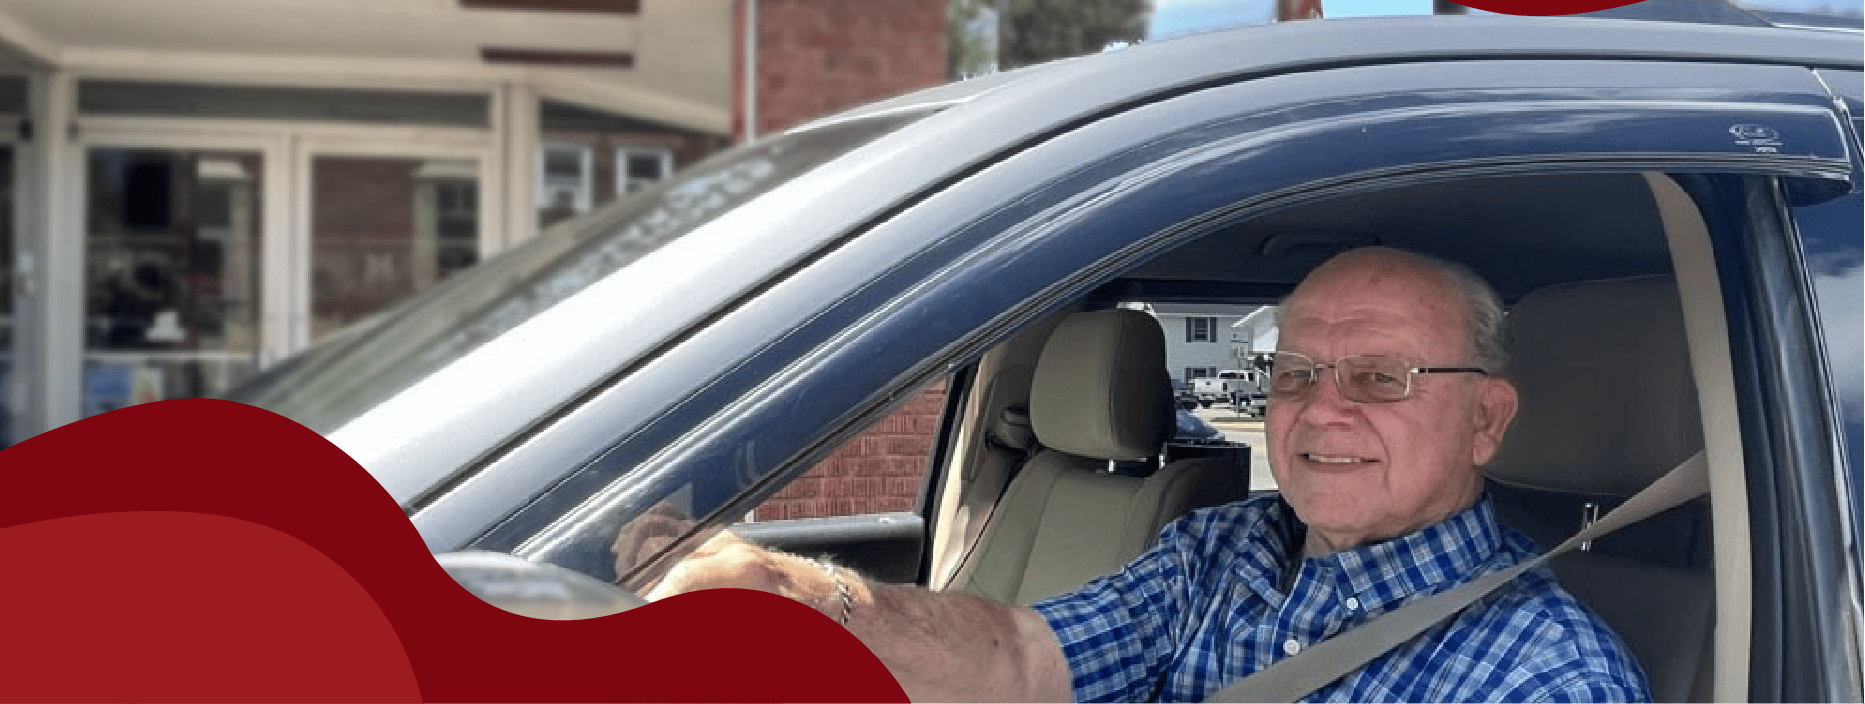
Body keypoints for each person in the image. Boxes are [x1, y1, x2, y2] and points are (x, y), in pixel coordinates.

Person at [650, 247, 1650, 703]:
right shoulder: (1221, 547)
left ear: (1485, 420)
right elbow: (1024, 659)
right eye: (1296, 371)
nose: (1321, 408)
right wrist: (794, 602)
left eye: (1379, 377)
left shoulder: (1545, 675)